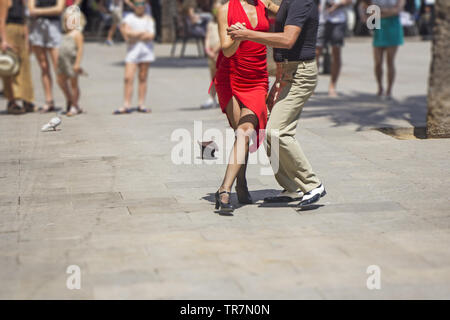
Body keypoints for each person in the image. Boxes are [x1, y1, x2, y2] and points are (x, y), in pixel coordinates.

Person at [228, 0, 326, 207]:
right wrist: (279, 81)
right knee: (267, 129)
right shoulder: (288, 3)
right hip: (288, 74)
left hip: (301, 75)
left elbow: (288, 40)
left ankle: (312, 184)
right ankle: (291, 187)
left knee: (278, 132)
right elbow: (276, 10)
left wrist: (247, 34)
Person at [213, 0, 278, 213]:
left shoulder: (264, 4)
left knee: (245, 131)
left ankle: (224, 188)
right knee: (240, 133)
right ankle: (240, 185)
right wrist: (240, 37)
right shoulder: (225, 10)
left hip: (257, 79)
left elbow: (293, 14)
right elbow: (227, 50)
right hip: (230, 77)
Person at [113, 0, 155, 114]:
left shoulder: (148, 19)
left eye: (142, 4)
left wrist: (135, 34)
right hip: (132, 52)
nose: (140, 6)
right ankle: (126, 104)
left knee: (143, 77)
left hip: (146, 51)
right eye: (137, 4)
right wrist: (141, 33)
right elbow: (127, 33)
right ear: (133, 6)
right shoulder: (129, 18)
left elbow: (150, 35)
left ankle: (141, 104)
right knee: (128, 78)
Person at [362, 0, 404, 99]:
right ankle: (380, 87)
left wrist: (379, 12)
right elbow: (368, 8)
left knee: (390, 61)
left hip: (393, 27)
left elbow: (397, 10)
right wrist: (386, 12)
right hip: (378, 27)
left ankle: (389, 90)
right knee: (378, 62)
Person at [28, 0, 65, 112]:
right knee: (44, 67)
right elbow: (30, 9)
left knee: (58, 67)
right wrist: (49, 11)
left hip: (53, 27)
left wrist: (38, 11)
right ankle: (49, 100)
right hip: (37, 28)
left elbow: (59, 9)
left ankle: (71, 99)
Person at [0, 0, 35, 114]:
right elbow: (2, 19)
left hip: (21, 32)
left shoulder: (22, 2)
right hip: (9, 31)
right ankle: (12, 101)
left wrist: (27, 40)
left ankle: (27, 99)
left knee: (25, 67)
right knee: (10, 68)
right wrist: (3, 40)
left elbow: (25, 20)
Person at [316, 0, 353, 97]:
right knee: (315, 53)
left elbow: (350, 1)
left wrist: (338, 4)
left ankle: (332, 86)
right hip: (321, 19)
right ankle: (312, 86)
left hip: (338, 20)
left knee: (336, 53)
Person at [57, 5, 85, 116]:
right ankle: (71, 100)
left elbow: (80, 49)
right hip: (63, 63)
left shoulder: (77, 34)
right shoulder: (64, 34)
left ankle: (74, 105)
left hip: (72, 62)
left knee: (74, 84)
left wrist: (77, 63)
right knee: (60, 81)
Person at [201, 0, 221, 109]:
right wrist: (208, 49)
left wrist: (216, 50)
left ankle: (223, 98)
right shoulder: (211, 23)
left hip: (220, 53)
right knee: (213, 77)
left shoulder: (223, 23)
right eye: (215, 9)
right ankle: (212, 97)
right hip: (211, 54)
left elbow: (224, 39)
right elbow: (207, 37)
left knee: (221, 77)